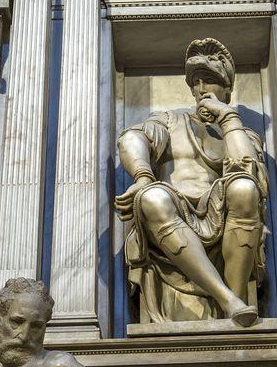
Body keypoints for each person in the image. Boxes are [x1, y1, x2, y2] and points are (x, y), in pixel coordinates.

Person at [114, 37, 268, 326]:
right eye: (195, 82)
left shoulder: (240, 133)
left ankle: (232, 307)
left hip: (222, 213)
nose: (201, 90)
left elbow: (249, 172)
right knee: (151, 197)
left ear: (227, 87)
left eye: (209, 80)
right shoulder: (171, 120)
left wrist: (228, 119)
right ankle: (229, 302)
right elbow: (132, 138)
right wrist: (143, 176)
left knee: (245, 189)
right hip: (172, 211)